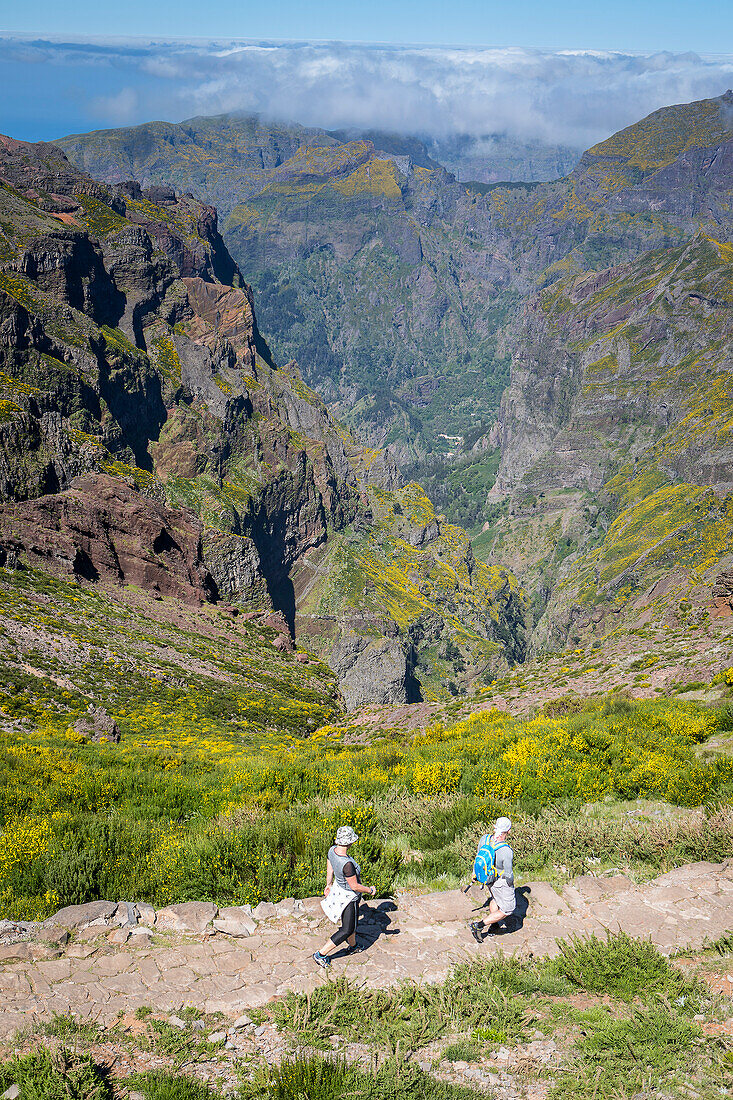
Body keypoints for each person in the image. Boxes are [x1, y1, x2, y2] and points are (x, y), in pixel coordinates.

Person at [313, 825, 376, 969]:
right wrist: (369, 890)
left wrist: (328, 884)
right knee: (347, 929)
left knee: (351, 924)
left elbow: (329, 864)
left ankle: (353, 946)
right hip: (349, 897)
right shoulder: (347, 864)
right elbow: (354, 886)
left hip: (338, 891)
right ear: (350, 842)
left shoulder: (332, 850)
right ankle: (321, 954)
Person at [470, 817, 516, 942]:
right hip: (500, 881)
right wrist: (511, 884)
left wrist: (474, 873)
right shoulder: (506, 851)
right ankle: (478, 926)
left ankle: (494, 926)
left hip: (487, 878)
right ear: (509, 831)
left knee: (495, 899)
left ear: (495, 827)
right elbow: (508, 873)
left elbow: (478, 856)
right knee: (508, 909)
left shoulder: (484, 839)